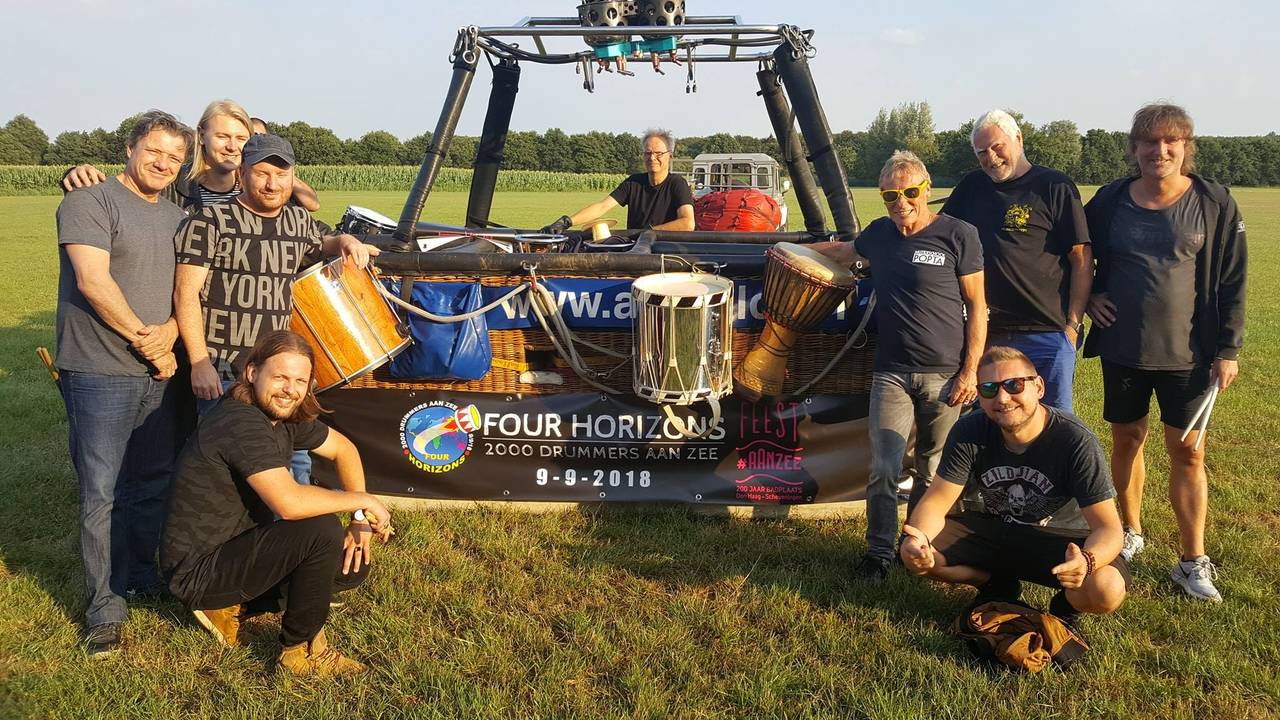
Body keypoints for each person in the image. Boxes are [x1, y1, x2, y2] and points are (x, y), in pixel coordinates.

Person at [1083, 104, 1246, 603]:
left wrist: (1229, 347)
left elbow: (1234, 279)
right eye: (1149, 142)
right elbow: (1076, 252)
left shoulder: (1213, 202)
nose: (1161, 151)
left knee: (1189, 453)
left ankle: (1192, 560)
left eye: (1171, 141)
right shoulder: (1110, 201)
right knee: (1128, 439)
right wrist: (1089, 296)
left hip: (1191, 356)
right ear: (1134, 149)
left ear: (1185, 147)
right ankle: (1130, 531)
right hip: (1124, 349)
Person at [160, 330, 394, 676]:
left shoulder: (281, 416)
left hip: (235, 551)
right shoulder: (241, 420)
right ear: (252, 373)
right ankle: (298, 652)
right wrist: (361, 501)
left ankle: (232, 605)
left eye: (300, 380)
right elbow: (289, 503)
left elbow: (344, 450)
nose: (290, 389)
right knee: (322, 530)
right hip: (198, 571)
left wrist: (359, 519)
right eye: (281, 377)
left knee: (350, 562)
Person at [54, 110, 195, 657]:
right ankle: (104, 609)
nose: (163, 163)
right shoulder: (89, 201)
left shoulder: (180, 216)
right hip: (99, 369)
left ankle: (141, 576)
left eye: (175, 157)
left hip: (159, 373)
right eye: (154, 151)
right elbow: (92, 280)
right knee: (101, 493)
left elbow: (191, 293)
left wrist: (171, 335)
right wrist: (150, 342)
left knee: (153, 481)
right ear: (131, 149)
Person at [817, 151, 986, 582]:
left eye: (910, 192)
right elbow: (839, 252)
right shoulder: (879, 235)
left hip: (947, 375)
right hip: (890, 372)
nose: (901, 202)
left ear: (926, 189)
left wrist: (970, 372)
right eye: (891, 194)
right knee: (884, 469)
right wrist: (782, 250)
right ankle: (878, 556)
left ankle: (918, 547)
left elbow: (978, 307)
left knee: (932, 469)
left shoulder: (958, 235)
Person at [172, 133, 376, 483]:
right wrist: (199, 363)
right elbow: (185, 294)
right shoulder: (210, 221)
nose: (272, 183)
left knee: (293, 459)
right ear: (242, 174)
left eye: (282, 175)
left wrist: (344, 240)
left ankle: (292, 531)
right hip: (224, 368)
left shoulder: (297, 221)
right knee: (225, 469)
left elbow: (320, 243)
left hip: (279, 371)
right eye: (262, 173)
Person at [899, 346, 1128, 629]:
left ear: (1039, 387)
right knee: (916, 552)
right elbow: (937, 500)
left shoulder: (1074, 439)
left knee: (1106, 589)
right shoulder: (969, 430)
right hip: (996, 531)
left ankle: (1065, 607)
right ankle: (995, 585)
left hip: (1060, 540)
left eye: (1014, 385)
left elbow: (1109, 529)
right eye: (989, 389)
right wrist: (918, 540)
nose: (1003, 398)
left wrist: (1087, 561)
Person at [942, 109, 1092, 410]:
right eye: (982, 152)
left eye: (998, 147)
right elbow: (936, 231)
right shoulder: (972, 187)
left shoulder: (1053, 186)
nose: (991, 157)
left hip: (1047, 330)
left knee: (1053, 423)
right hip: (988, 331)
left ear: (1018, 139)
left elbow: (1081, 258)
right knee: (990, 420)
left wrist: (1072, 326)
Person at [61, 100, 321, 213]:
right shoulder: (172, 184)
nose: (232, 147)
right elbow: (124, 193)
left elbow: (305, 221)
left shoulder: (258, 190)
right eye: (222, 137)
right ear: (201, 136)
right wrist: (75, 173)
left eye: (241, 139)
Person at [541, 128, 695, 233]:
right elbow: (602, 207)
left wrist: (649, 232)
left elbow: (688, 222)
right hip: (634, 249)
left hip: (663, 250)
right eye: (648, 153)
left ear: (670, 156)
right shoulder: (633, 183)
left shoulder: (677, 183)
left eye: (658, 153)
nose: (652, 158)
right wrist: (566, 222)